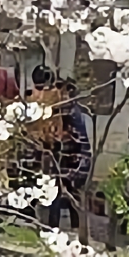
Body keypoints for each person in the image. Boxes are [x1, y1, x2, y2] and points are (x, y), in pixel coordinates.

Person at [48, 78, 93, 229]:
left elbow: (70, 135)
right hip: (72, 159)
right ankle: (72, 227)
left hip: (73, 159)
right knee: (67, 194)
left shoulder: (71, 111)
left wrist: (57, 137)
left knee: (60, 193)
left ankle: (54, 228)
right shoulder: (71, 110)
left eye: (60, 89)